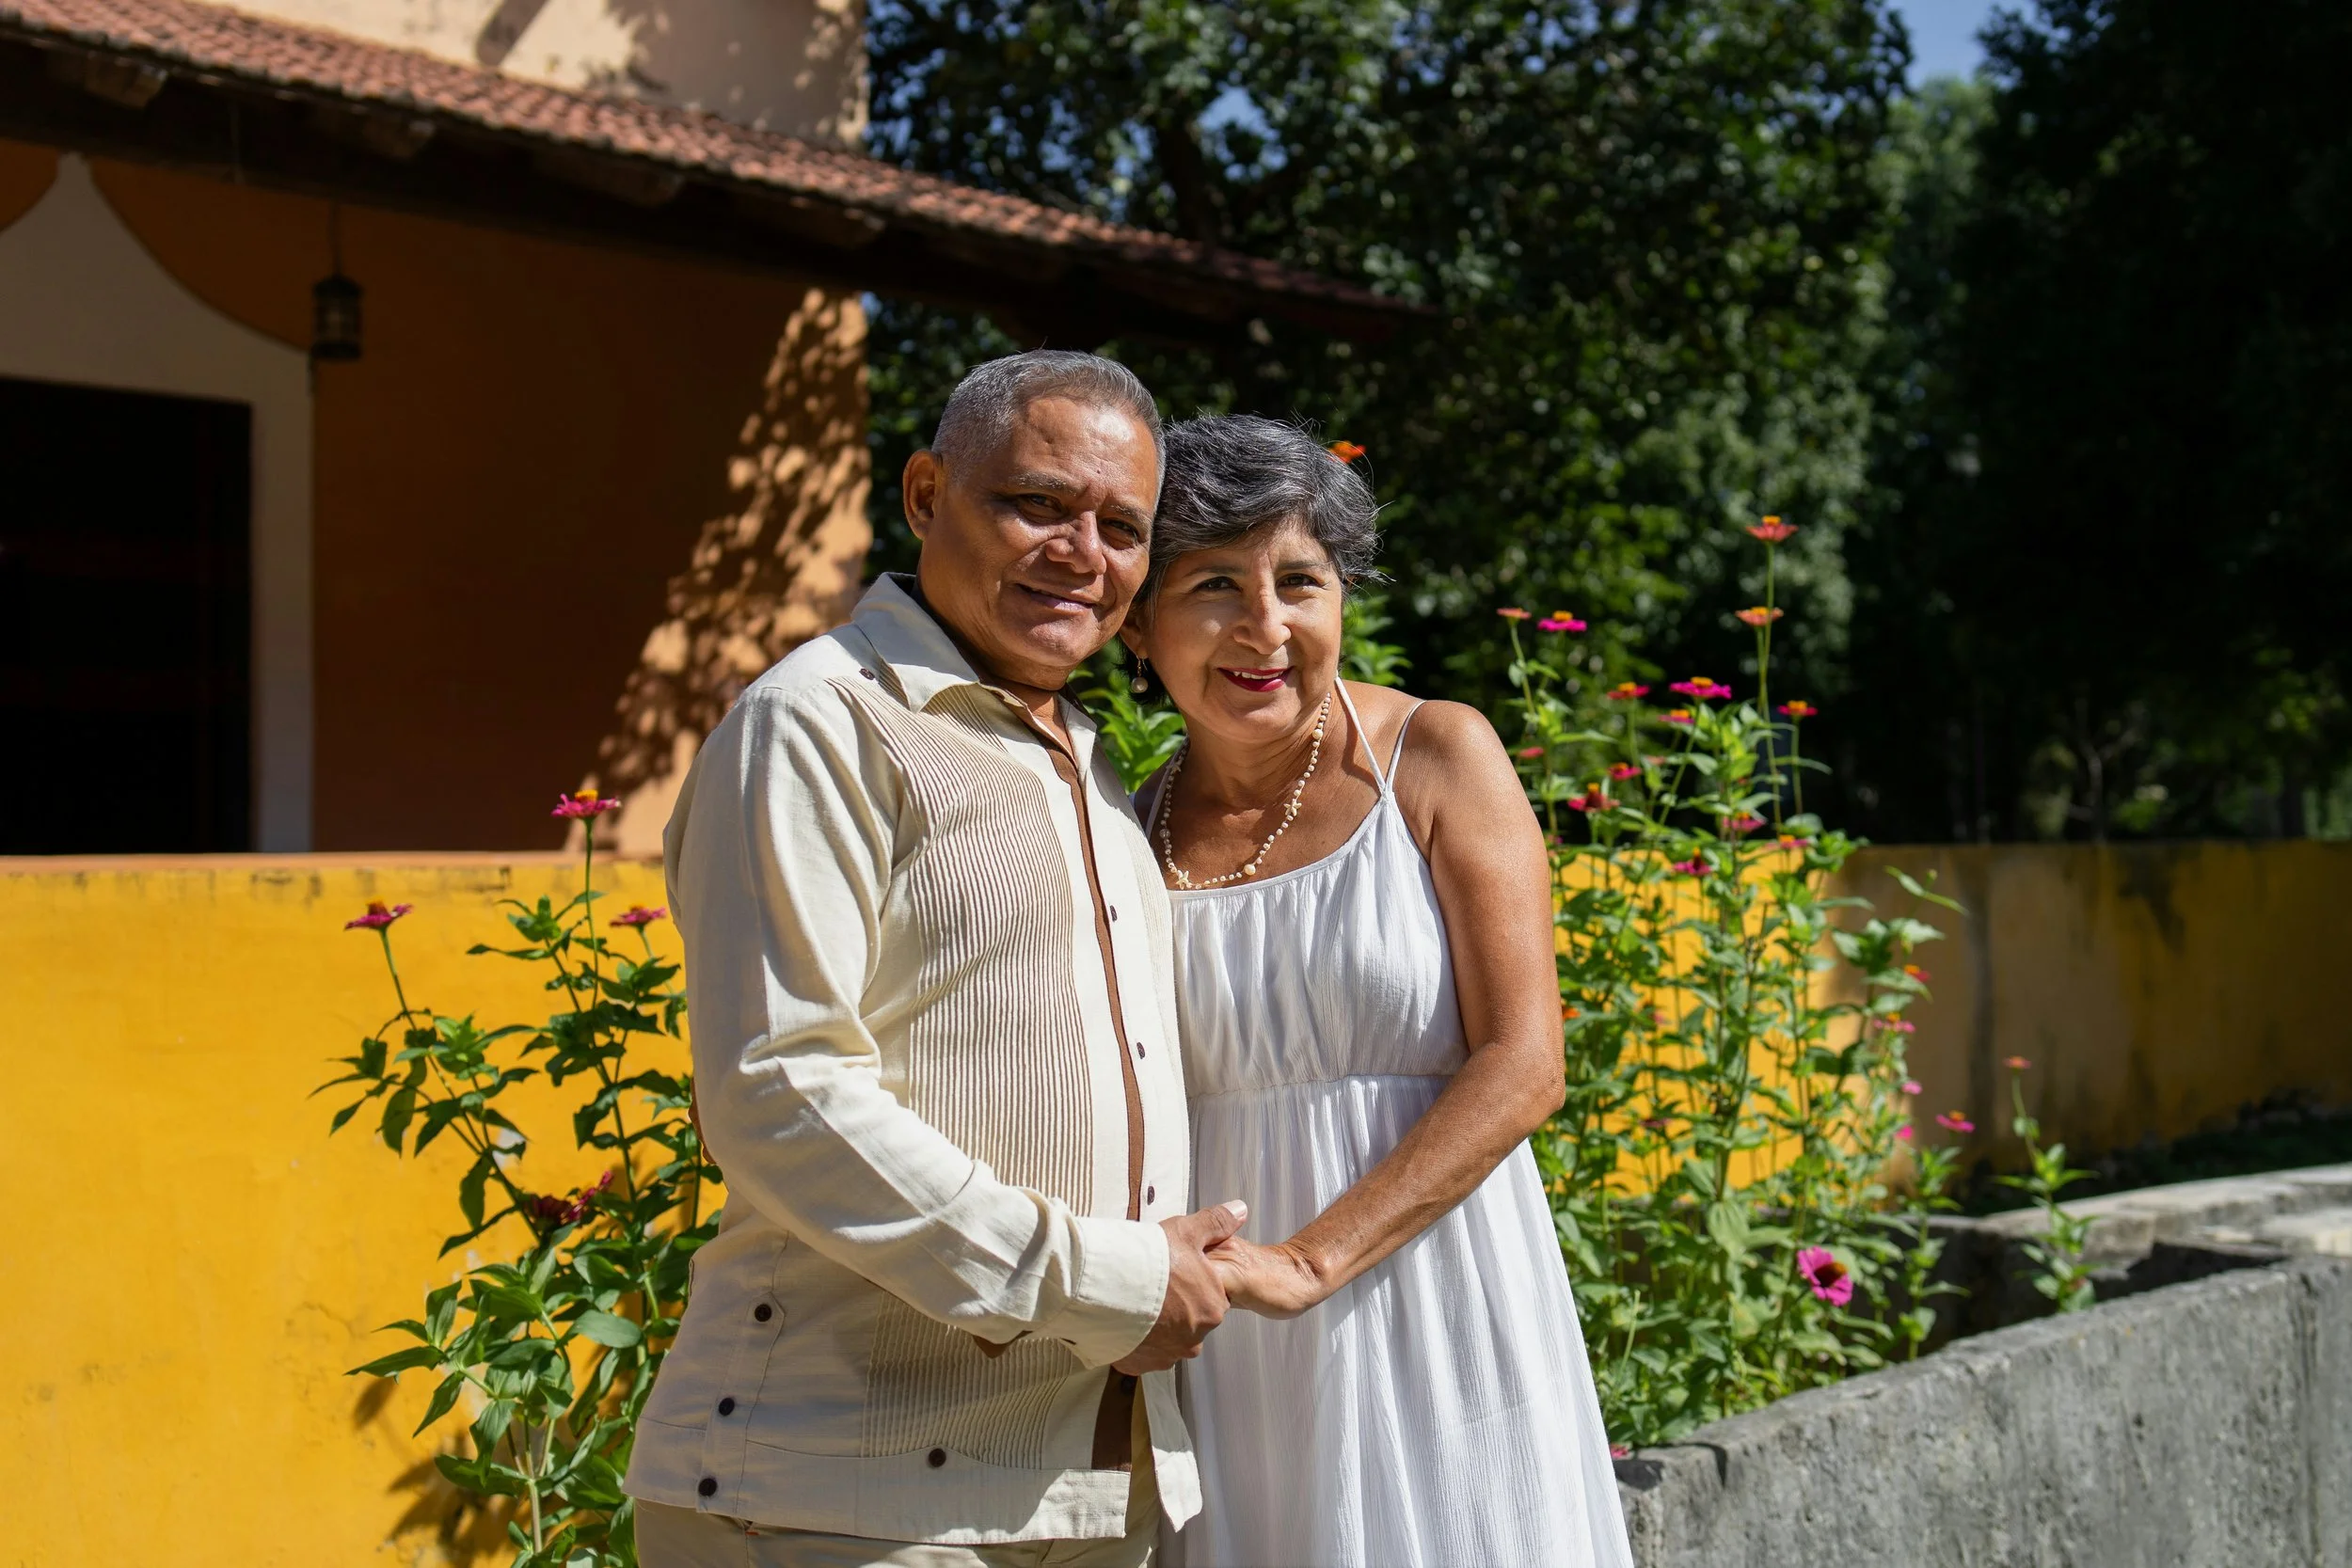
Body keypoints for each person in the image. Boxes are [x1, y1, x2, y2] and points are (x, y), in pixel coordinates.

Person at [625, 352, 1249, 1567]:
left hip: (1079, 1483)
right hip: (840, 1492)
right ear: (925, 495)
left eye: (1122, 526)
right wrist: (1107, 1278)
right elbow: (779, 1087)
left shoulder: (1084, 751)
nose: (1084, 551)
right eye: (1038, 504)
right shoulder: (819, 720)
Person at [1123, 416, 1635, 1568]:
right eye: (1213, 583)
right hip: (1223, 1333)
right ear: (1138, 623)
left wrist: (1311, 1262)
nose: (1266, 626)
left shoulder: (1437, 754)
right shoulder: (1121, 822)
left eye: (1298, 580)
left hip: (1434, 1291)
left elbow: (1524, 1058)